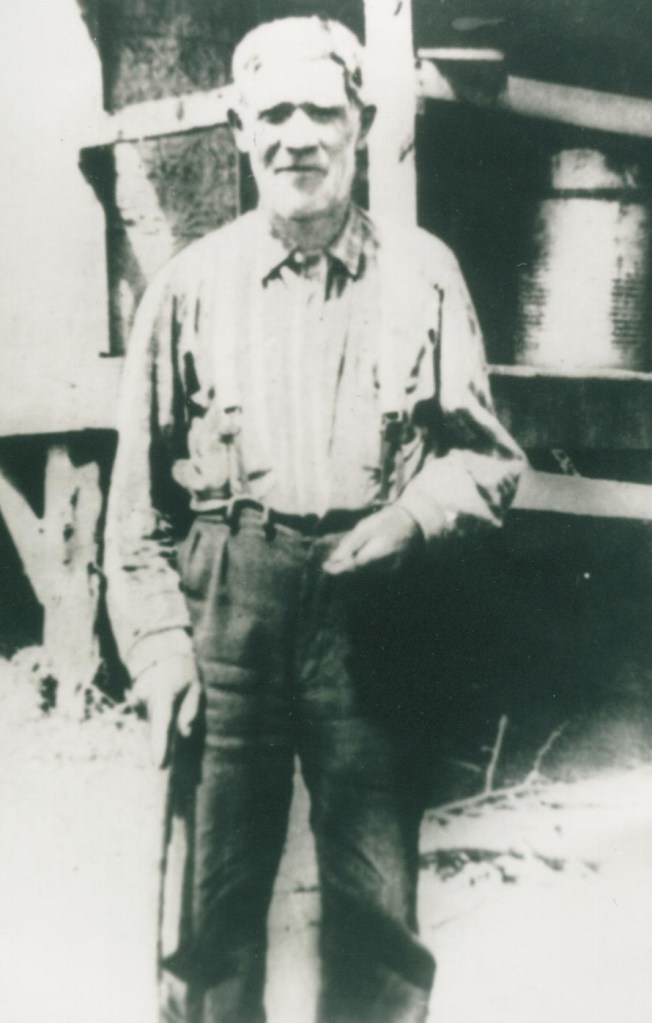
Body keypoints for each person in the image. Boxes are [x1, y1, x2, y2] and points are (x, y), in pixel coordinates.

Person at [105, 15, 524, 1023]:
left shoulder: (423, 275)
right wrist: (159, 650)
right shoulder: (188, 289)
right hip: (228, 603)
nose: (298, 136)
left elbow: (488, 459)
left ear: (360, 124)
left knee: (376, 894)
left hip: (369, 605)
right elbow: (136, 511)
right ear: (240, 131)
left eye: (322, 112)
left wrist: (413, 517)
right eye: (275, 114)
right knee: (213, 897)